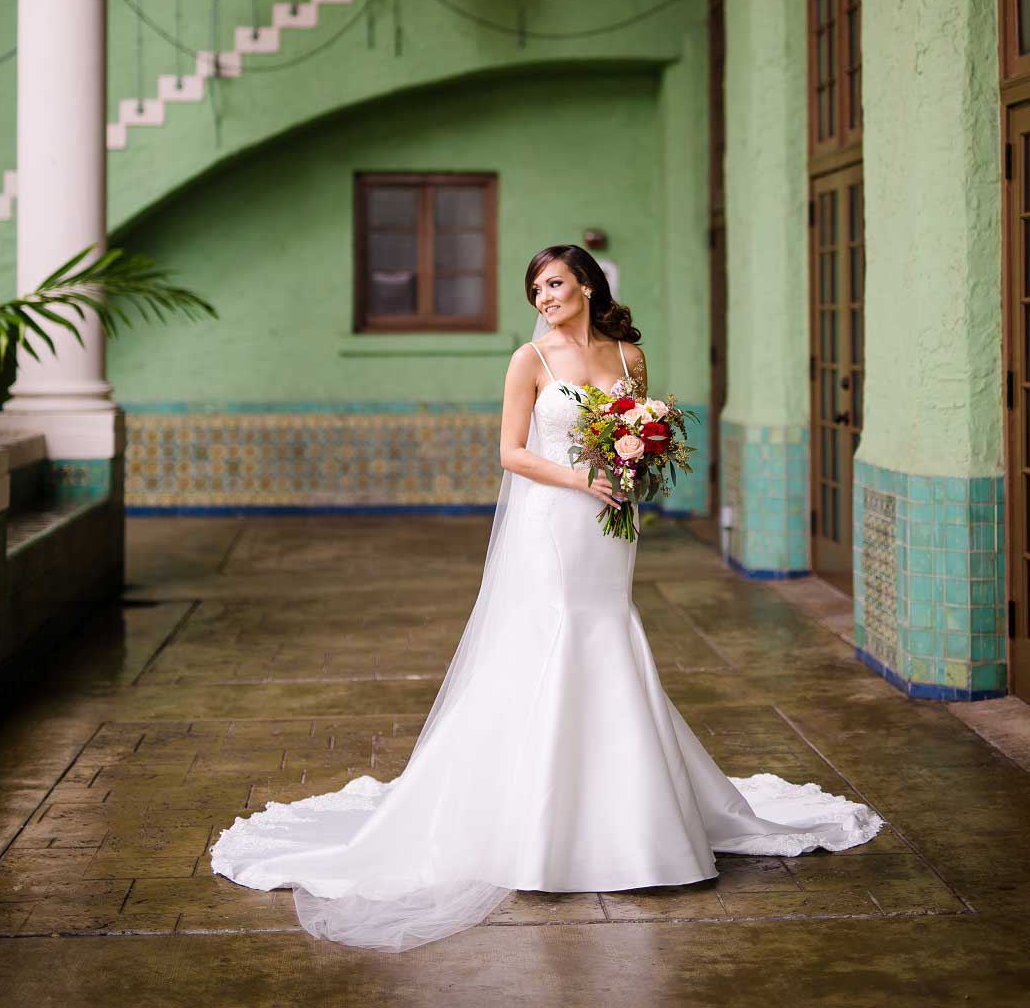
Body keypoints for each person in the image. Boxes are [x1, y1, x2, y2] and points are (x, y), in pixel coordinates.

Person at [209, 243, 883, 951]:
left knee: (609, 629)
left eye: (555, 283)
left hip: (611, 523)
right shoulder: (529, 360)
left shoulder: (629, 355)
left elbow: (642, 433)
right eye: (535, 288)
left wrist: (632, 465)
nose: (543, 296)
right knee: (558, 631)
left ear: (587, 284)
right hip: (554, 520)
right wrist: (580, 480)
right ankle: (539, 824)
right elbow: (510, 453)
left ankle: (624, 811)